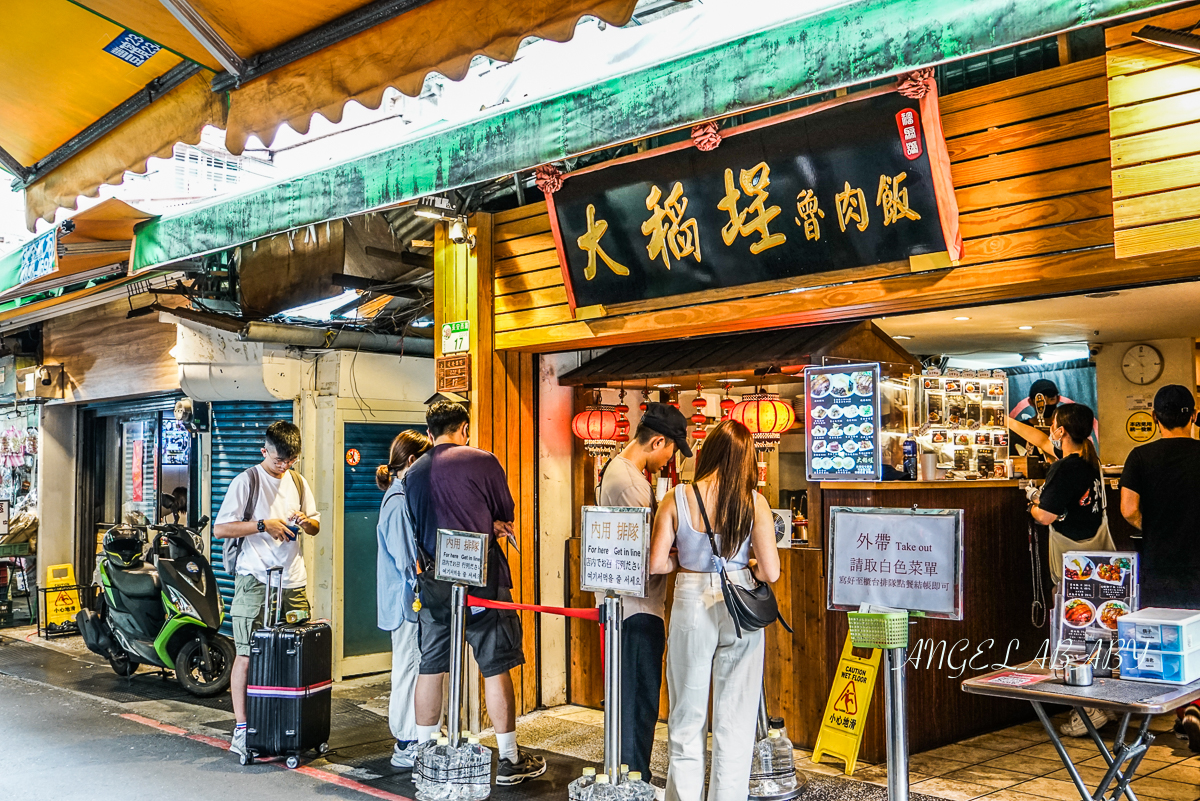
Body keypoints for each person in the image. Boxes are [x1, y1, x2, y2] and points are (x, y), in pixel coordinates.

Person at [405, 401, 546, 784]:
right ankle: (511, 760)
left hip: (435, 583)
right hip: (483, 579)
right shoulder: (483, 460)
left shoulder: (412, 473)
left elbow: (417, 525)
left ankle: (424, 753)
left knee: (431, 664)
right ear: (464, 428)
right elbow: (505, 510)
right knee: (495, 666)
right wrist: (491, 522)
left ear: (430, 432)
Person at [648, 420, 780, 801]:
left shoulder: (677, 496)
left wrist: (683, 562)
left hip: (691, 600)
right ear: (746, 458)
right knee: (735, 721)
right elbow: (771, 571)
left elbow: (656, 565)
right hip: (741, 603)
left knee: (687, 718)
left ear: (709, 453)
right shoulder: (754, 501)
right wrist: (747, 566)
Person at [595, 403, 692, 782]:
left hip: (628, 605)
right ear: (658, 441)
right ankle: (634, 775)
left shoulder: (620, 471)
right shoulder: (632, 483)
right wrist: (682, 556)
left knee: (632, 695)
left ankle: (630, 771)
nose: (671, 458)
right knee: (638, 698)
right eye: (671, 449)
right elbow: (646, 558)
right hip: (635, 608)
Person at [213, 421, 320, 761]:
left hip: (293, 581)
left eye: (291, 460)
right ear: (264, 452)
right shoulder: (247, 480)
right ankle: (243, 730)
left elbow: (316, 526)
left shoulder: (299, 482)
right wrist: (264, 524)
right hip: (255, 581)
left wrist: (305, 522)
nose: (284, 466)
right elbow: (220, 529)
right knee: (246, 653)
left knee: (295, 654)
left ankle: (290, 726)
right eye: (278, 460)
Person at [1026, 402, 1115, 737]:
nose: (1050, 431)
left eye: (1052, 425)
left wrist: (1032, 504)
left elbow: (1046, 516)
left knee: (1076, 636)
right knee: (1100, 636)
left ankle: (1089, 710)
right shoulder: (1092, 464)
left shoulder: (1067, 468)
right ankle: (1105, 702)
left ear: (1061, 431)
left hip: (1075, 567)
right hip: (1100, 564)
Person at [1119, 384, 1200, 752]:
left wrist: (1151, 528)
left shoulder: (1140, 456)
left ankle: (1184, 709)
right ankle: (1195, 710)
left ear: (1155, 418)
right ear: (1194, 415)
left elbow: (1127, 509)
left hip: (1160, 562)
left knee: (1172, 642)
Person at [376, 429, 433, 768]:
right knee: (408, 668)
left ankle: (412, 735)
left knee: (411, 665)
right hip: (406, 603)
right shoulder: (398, 503)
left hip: (406, 601)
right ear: (412, 461)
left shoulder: (401, 497)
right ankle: (406, 740)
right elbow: (406, 559)